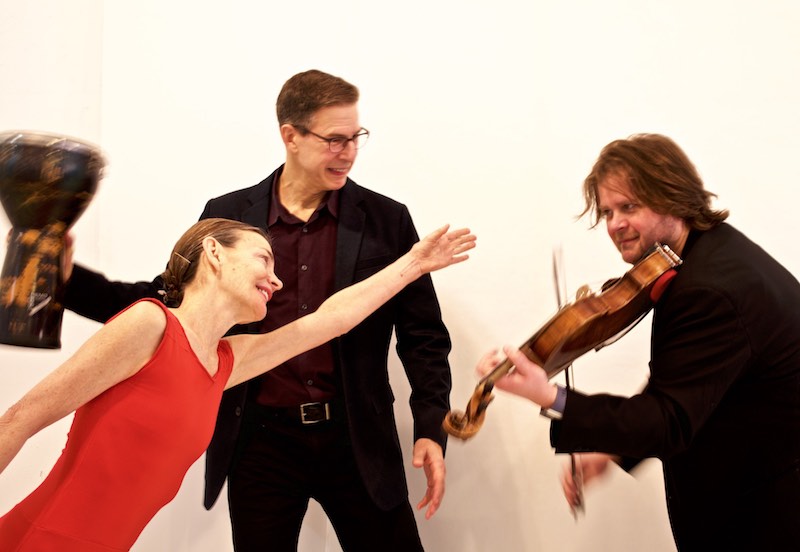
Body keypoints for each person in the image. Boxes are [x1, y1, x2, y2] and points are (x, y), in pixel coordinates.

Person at [61, 70, 455, 551]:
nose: (349, 152)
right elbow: (166, 301)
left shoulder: (387, 219)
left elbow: (424, 338)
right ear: (290, 135)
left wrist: (431, 426)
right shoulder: (228, 215)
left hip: (357, 438)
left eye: (356, 137)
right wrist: (67, 281)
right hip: (260, 442)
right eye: (335, 139)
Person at [0, 217, 475, 551]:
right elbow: (18, 421)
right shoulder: (150, 324)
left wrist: (413, 264)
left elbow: (330, 321)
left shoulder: (225, 363)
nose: (277, 281)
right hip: (42, 540)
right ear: (213, 252)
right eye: (264, 261)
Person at [478, 133, 800, 551]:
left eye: (630, 207)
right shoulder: (710, 253)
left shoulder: (709, 289)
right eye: (608, 211)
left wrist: (552, 396)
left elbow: (670, 420)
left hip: (763, 517)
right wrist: (615, 452)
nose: (615, 224)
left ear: (675, 197)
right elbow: (694, 381)